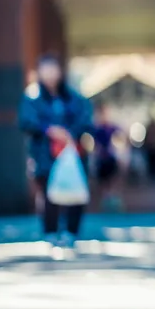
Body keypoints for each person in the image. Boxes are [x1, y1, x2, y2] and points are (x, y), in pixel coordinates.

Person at [18, 54, 95, 247]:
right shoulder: (32, 97)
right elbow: (26, 121)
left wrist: (70, 133)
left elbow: (86, 118)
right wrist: (49, 130)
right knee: (48, 193)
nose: (51, 74)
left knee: (76, 189)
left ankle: (72, 230)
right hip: (44, 153)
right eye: (46, 69)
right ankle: (50, 230)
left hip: (72, 150)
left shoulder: (73, 97)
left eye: (54, 69)